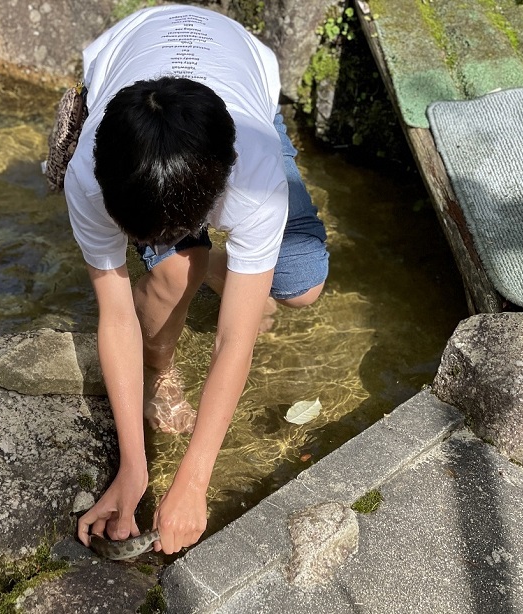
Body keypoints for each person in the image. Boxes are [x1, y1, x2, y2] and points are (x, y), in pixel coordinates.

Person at [68, 4, 329, 556]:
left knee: (300, 288)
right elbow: (114, 315)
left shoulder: (254, 173)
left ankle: (206, 265)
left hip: (238, 95)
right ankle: (162, 360)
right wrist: (132, 467)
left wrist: (195, 479)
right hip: (137, 82)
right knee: (176, 272)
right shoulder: (92, 172)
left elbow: (235, 340)